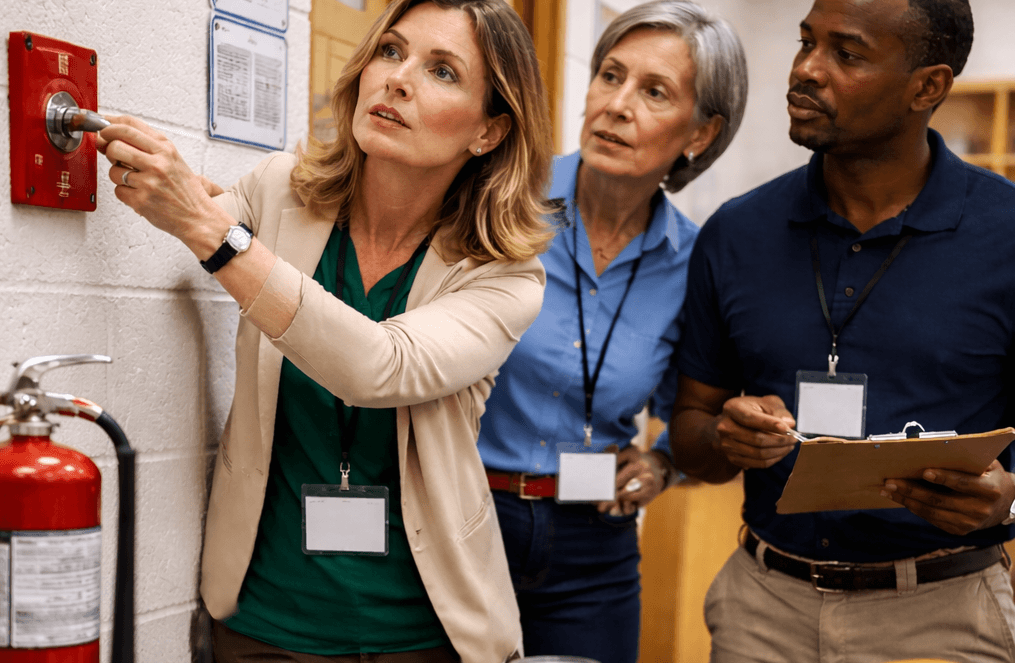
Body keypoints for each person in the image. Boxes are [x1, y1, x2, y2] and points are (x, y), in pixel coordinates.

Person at [97, 1, 554, 661]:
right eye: (391, 51)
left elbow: (380, 365)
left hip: (418, 635)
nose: (397, 79)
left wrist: (209, 230)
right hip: (262, 624)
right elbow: (194, 214)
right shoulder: (278, 191)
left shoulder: (502, 275)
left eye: (442, 71)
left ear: (488, 132)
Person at [671, 0, 1015, 660]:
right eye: (805, 43)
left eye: (845, 54)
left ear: (927, 87)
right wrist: (723, 435)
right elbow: (691, 431)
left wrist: (1004, 502)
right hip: (761, 608)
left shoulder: (1004, 235)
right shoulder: (734, 234)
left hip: (940, 617)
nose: (805, 70)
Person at [475, 3, 747, 662]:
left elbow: (697, 408)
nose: (616, 104)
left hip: (592, 543)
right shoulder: (499, 198)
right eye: (609, 75)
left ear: (699, 135)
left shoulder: (695, 263)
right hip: (463, 516)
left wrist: (662, 463)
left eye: (653, 92)